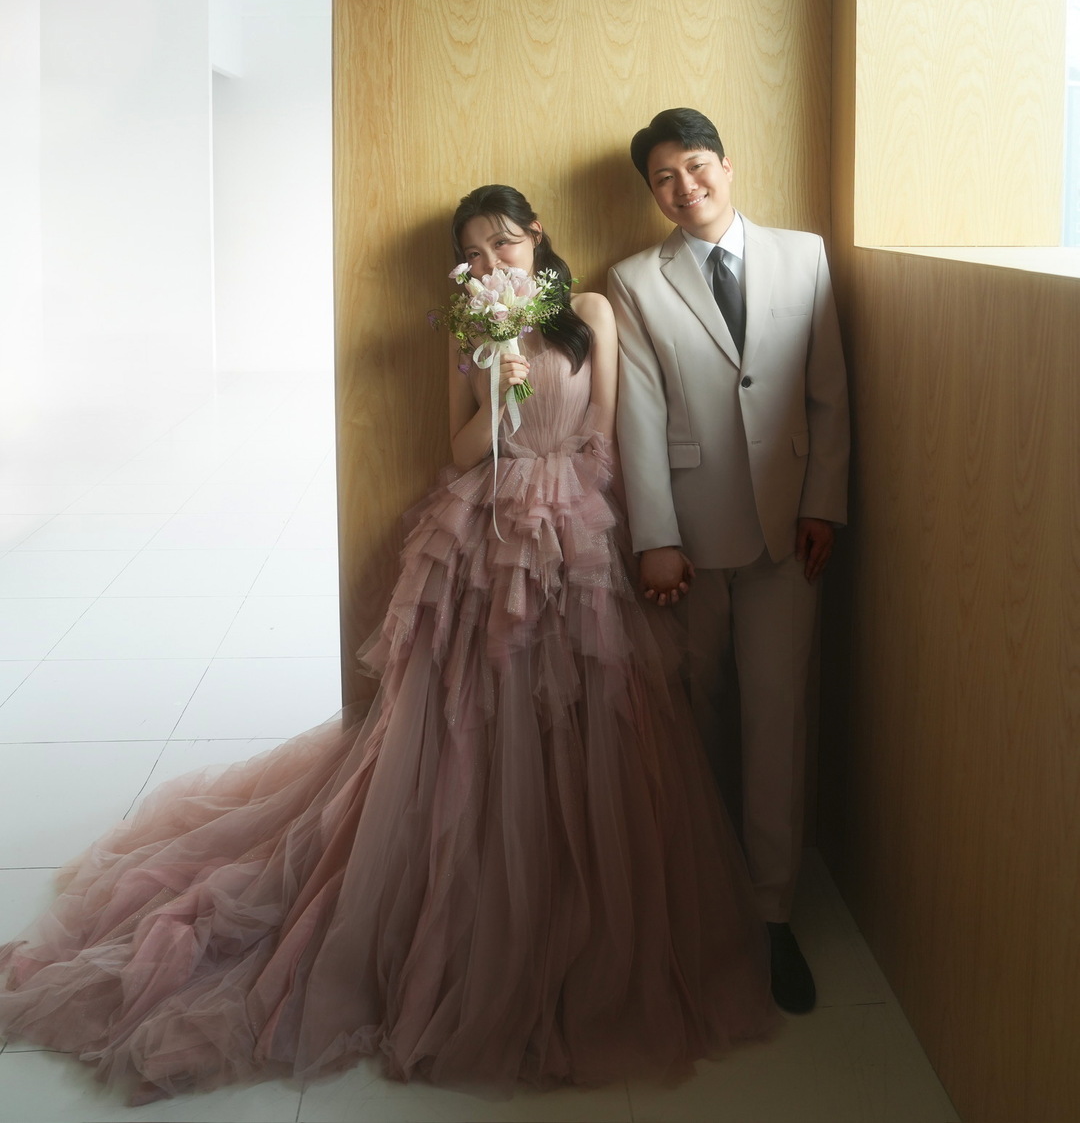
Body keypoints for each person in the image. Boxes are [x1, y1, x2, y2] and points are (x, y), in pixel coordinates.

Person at [0, 183, 774, 1106]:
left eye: (503, 244)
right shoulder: (468, 325)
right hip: (485, 524)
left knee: (596, 709)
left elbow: (606, 437)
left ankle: (579, 899)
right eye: (473, 254)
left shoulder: (593, 311)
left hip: (580, 525)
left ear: (537, 236)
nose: (490, 264)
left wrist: (590, 516)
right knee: (472, 710)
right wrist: (501, 387)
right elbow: (460, 451)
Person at [607, 111, 850, 1016]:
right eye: (664, 178)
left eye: (696, 166)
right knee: (700, 712)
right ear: (652, 192)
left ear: (727, 165)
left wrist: (825, 501)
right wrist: (654, 536)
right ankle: (708, 898)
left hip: (790, 534)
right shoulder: (635, 279)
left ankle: (772, 914)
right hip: (690, 544)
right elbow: (636, 414)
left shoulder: (805, 255)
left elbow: (828, 390)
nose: (685, 187)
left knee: (778, 716)